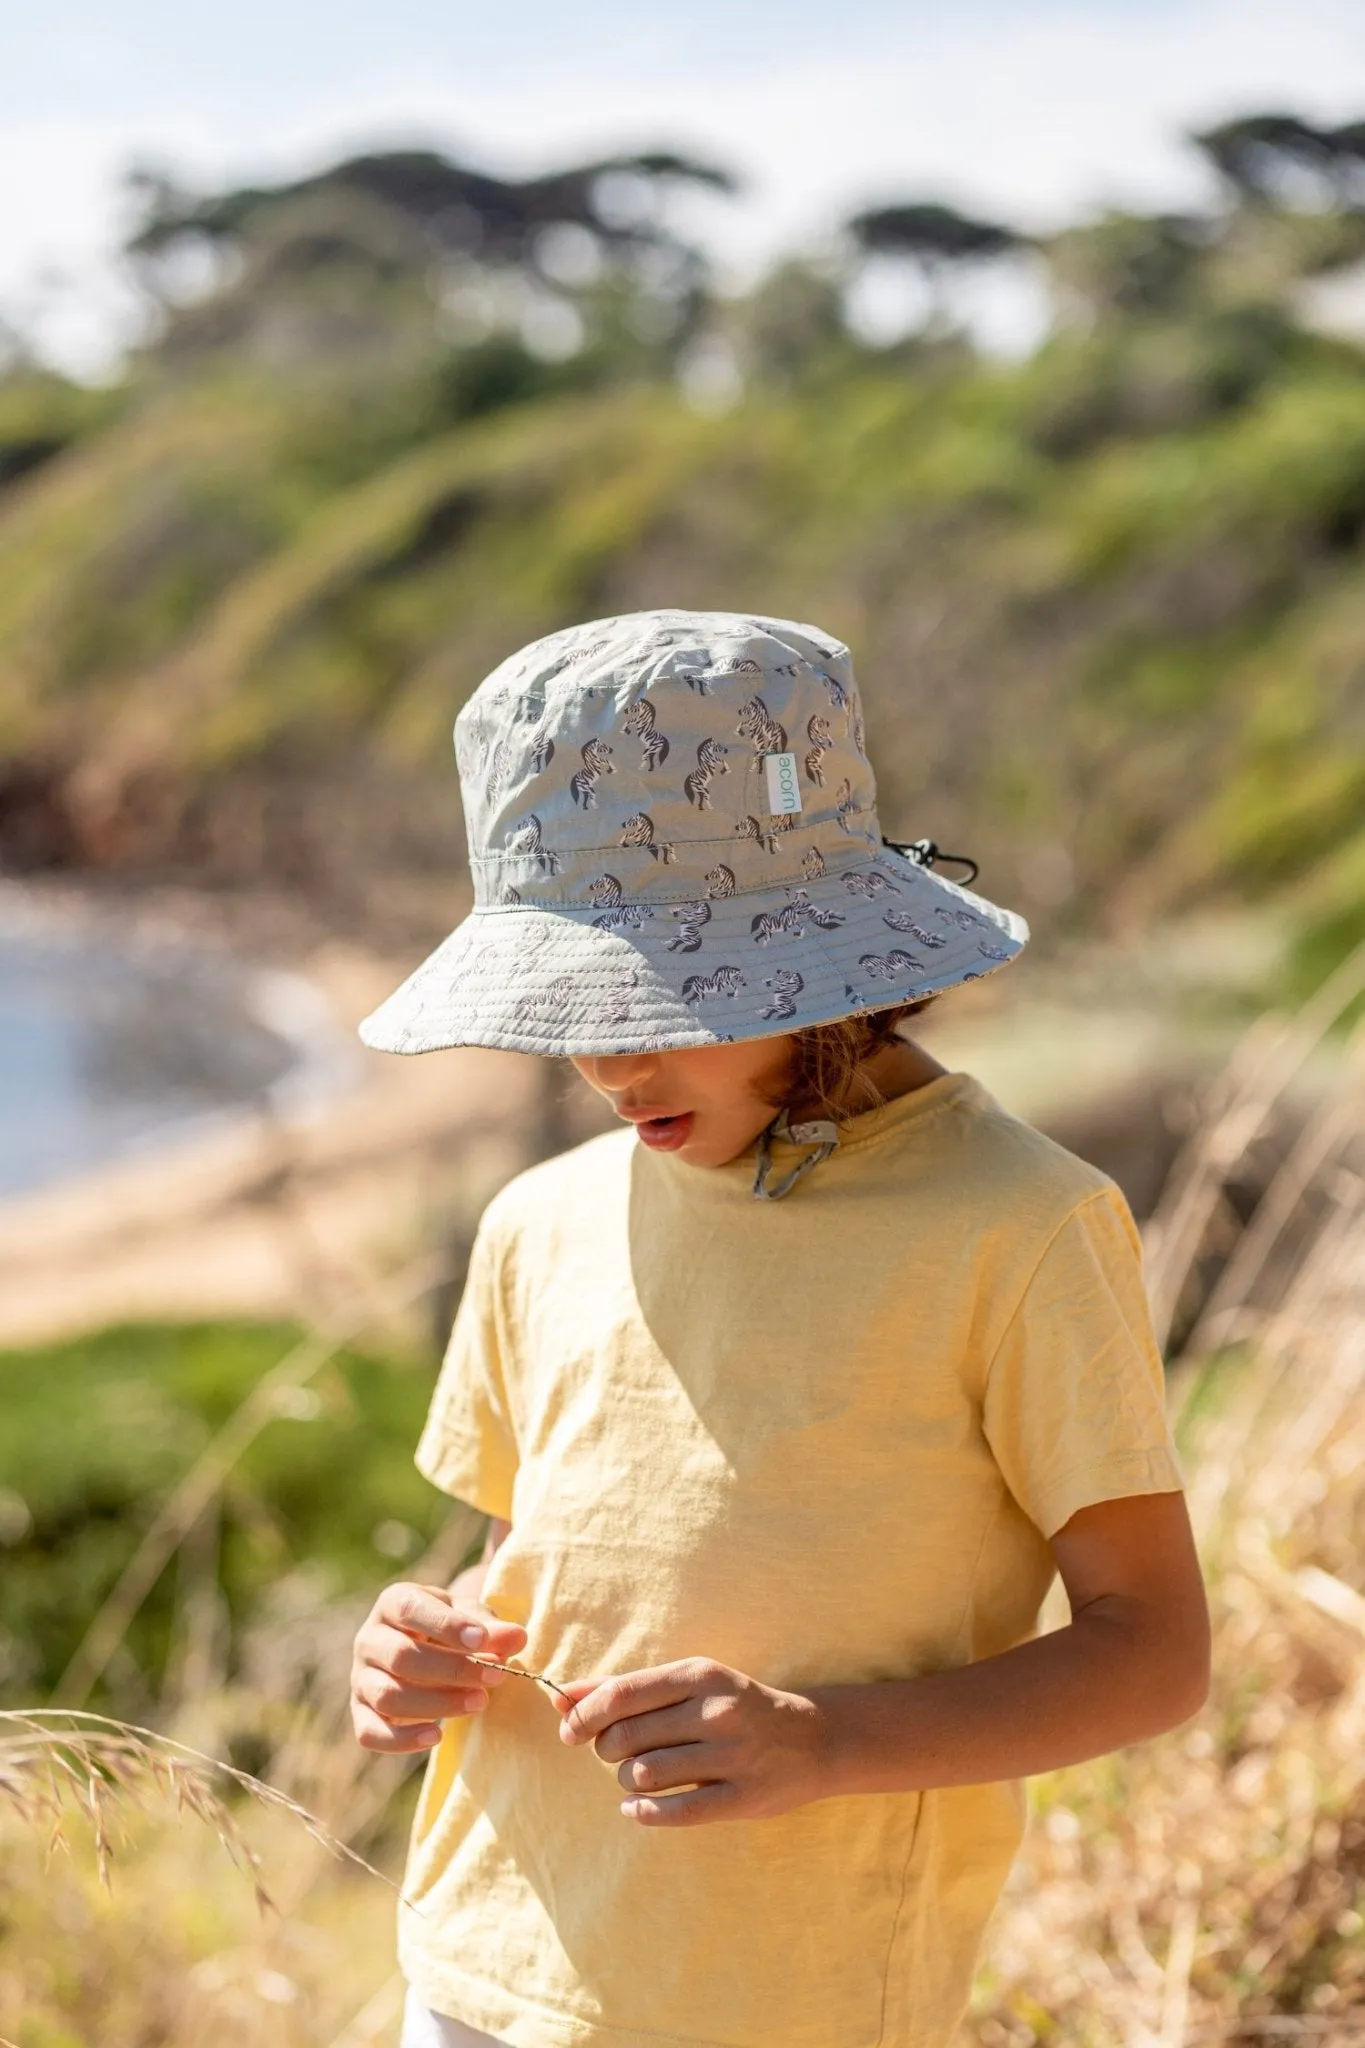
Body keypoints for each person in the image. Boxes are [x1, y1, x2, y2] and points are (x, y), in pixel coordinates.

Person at [348, 610, 1209, 2048]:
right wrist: (411, 1649)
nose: (612, 1058)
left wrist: (825, 1744)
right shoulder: (540, 1219)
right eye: (577, 1004)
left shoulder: (1021, 1227)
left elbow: (1154, 1654)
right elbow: (525, 1565)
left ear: (819, 960)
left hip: (784, 2004)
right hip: (474, 1965)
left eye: (659, 993)